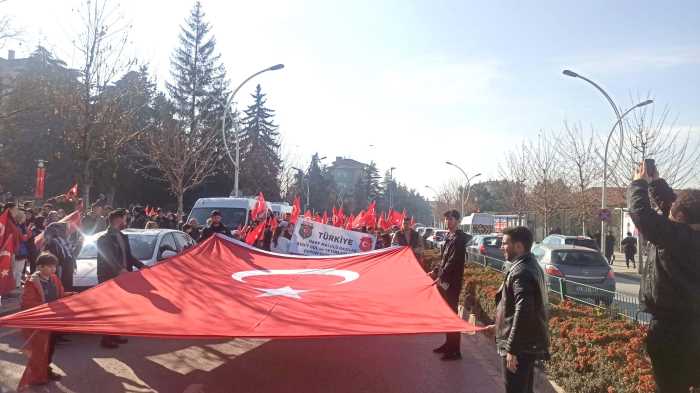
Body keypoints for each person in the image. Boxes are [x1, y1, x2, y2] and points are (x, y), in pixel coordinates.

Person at [628, 161, 700, 393]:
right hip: (693, 326)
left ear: (680, 220)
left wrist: (639, 184)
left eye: (669, 214)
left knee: (670, 387)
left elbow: (641, 214)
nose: (666, 214)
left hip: (672, 331)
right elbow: (678, 207)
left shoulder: (677, 237)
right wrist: (657, 184)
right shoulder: (686, 233)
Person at [486, 226, 549, 393]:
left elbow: (524, 312)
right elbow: (515, 309)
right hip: (524, 344)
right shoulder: (529, 265)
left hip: (520, 347)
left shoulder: (521, 271)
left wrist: (512, 349)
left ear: (519, 246)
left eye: (505, 243)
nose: (501, 247)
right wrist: (498, 327)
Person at [18, 253, 73, 389]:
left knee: (51, 347)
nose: (53, 269)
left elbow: (60, 295)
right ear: (40, 267)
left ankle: (46, 370)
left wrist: (72, 296)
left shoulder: (54, 279)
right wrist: (47, 309)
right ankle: (38, 375)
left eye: (54, 266)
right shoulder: (32, 283)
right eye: (49, 267)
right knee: (40, 351)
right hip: (41, 322)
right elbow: (28, 304)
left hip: (53, 320)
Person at [96, 209, 148, 349]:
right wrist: (119, 269)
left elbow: (129, 256)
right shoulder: (104, 239)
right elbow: (108, 257)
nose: (127, 220)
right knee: (108, 308)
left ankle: (115, 334)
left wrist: (141, 266)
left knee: (119, 307)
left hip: (124, 277)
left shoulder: (123, 236)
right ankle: (106, 339)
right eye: (125, 218)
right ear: (118, 219)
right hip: (109, 278)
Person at [429, 209, 470, 361]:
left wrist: (440, 275)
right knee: (446, 314)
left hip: (452, 284)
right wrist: (434, 271)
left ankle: (455, 350)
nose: (448, 222)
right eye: (446, 219)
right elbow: (444, 259)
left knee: (452, 315)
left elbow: (453, 262)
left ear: (458, 221)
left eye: (451, 219)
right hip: (444, 281)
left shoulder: (459, 239)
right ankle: (448, 344)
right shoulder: (449, 236)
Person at [43, 223, 76, 292]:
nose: (68, 231)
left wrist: (80, 244)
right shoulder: (53, 242)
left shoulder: (64, 240)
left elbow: (71, 254)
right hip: (60, 268)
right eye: (66, 229)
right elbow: (52, 258)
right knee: (60, 287)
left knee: (67, 287)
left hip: (67, 267)